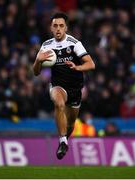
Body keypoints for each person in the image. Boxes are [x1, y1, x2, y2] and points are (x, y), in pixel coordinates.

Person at [33, 12, 95, 160]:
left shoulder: (74, 43)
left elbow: (91, 64)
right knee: (58, 103)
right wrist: (38, 61)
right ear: (51, 28)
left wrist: (77, 67)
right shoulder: (46, 46)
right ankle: (62, 142)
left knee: (71, 124)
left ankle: (65, 137)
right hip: (58, 85)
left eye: (61, 25)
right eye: (55, 26)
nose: (58, 29)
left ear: (66, 28)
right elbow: (36, 72)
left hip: (75, 88)